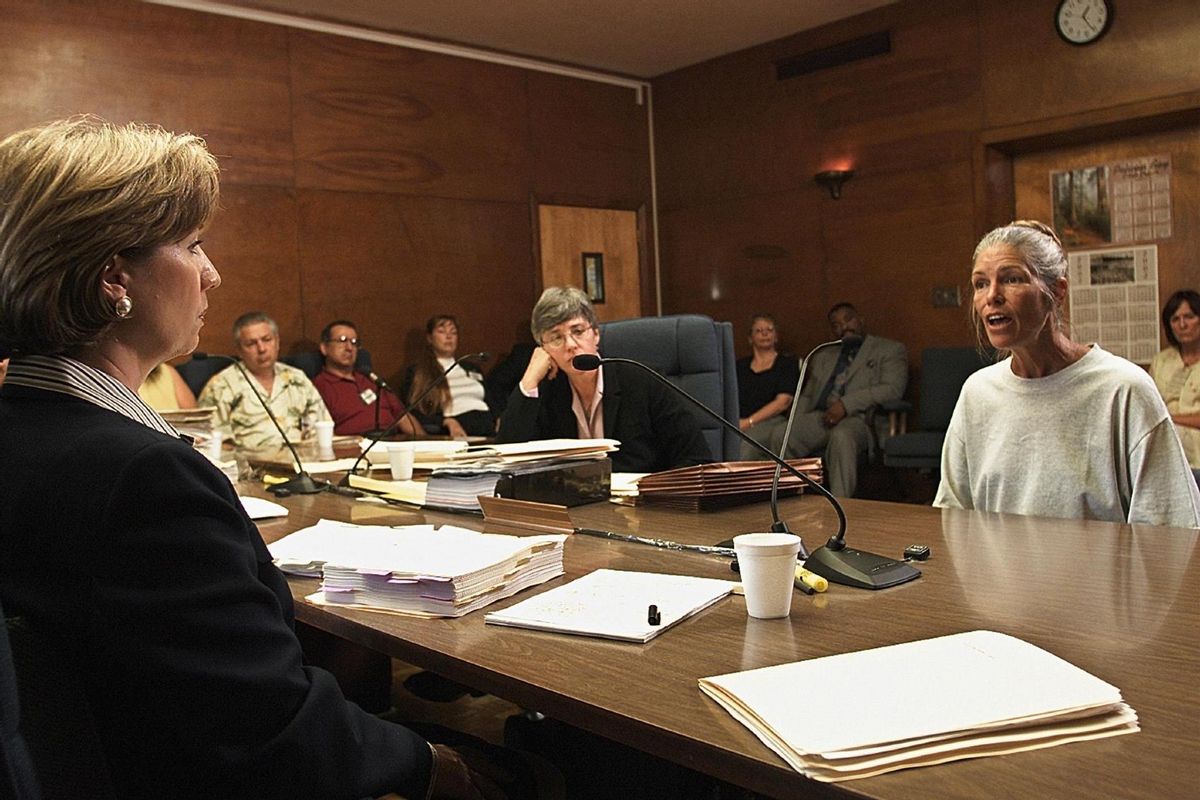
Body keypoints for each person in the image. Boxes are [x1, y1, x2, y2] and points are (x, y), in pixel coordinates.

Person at [0, 117, 510, 799]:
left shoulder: (24, 432)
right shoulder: (139, 477)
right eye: (192, 244)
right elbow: (273, 734)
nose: (213, 273)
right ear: (113, 276)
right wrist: (432, 765)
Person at [934, 220, 1200, 527]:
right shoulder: (976, 393)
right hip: (996, 575)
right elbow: (953, 516)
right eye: (980, 283)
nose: (991, 296)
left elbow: (1170, 529)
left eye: (1011, 279)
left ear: (1057, 292)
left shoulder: (1125, 389)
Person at [496, 286, 711, 473]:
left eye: (578, 331)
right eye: (556, 338)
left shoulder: (641, 380)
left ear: (596, 334)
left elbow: (697, 459)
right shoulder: (547, 392)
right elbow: (506, 460)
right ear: (544, 349)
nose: (570, 344)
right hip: (575, 512)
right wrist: (529, 380)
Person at [779, 302, 907, 497]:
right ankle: (790, 501)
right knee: (783, 435)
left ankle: (841, 505)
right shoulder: (823, 355)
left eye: (848, 319)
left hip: (862, 421)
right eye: (837, 324)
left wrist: (846, 405)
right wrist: (795, 421)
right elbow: (807, 395)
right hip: (822, 417)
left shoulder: (888, 350)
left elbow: (892, 389)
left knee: (842, 438)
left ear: (860, 320)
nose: (844, 327)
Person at [198, 311, 331, 450]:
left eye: (267, 340)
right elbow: (213, 443)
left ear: (277, 342)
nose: (261, 349)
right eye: (251, 344)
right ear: (239, 350)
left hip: (302, 463)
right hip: (249, 467)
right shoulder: (221, 385)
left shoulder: (297, 378)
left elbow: (321, 429)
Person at [312, 319, 417, 436]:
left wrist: (428, 444)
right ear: (324, 348)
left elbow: (402, 417)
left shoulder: (372, 379)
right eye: (342, 340)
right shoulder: (318, 387)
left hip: (393, 443)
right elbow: (322, 435)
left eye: (354, 342)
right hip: (355, 448)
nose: (349, 348)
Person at [402, 314, 494, 438]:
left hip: (487, 426)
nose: (449, 336)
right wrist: (446, 422)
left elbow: (491, 400)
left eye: (453, 332)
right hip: (455, 430)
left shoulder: (472, 367)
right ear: (430, 338)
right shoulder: (420, 371)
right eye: (441, 331)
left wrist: (499, 418)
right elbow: (413, 410)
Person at [1149, 290, 1200, 470]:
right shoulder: (1161, 361)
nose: (1183, 324)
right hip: (1168, 458)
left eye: (1189, 316)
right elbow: (1149, 408)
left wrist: (1169, 418)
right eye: (1175, 319)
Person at [736, 314, 799, 459]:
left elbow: (783, 402)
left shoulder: (787, 363)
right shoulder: (739, 366)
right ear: (750, 338)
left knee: (745, 448)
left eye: (769, 330)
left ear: (776, 336)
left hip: (773, 422)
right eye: (759, 331)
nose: (764, 334)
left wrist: (749, 422)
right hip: (738, 422)